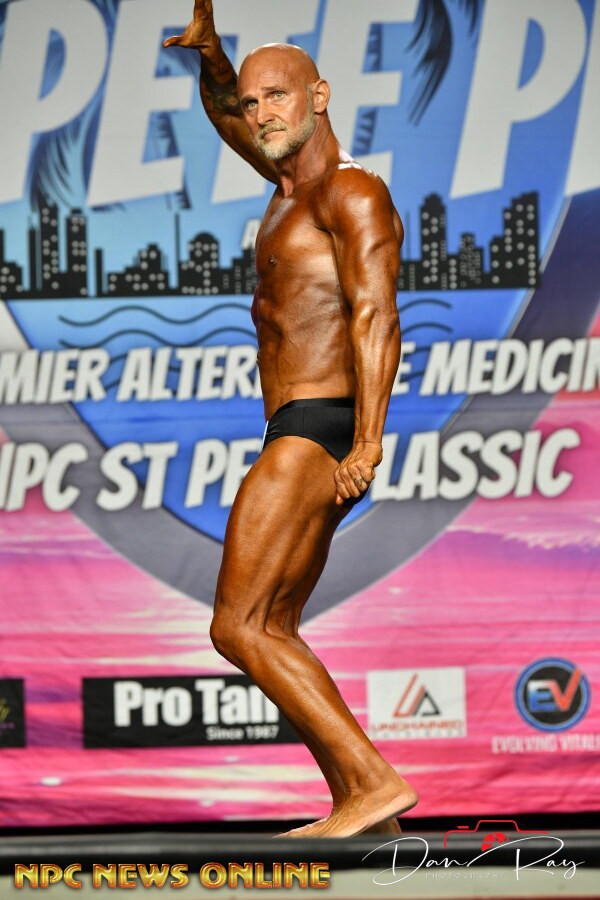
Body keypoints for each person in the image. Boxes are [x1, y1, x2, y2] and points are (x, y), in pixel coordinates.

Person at [164, 0, 418, 838]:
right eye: (253, 100)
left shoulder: (350, 191)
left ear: (320, 96)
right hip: (302, 425)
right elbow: (223, 115)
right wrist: (213, 59)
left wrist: (368, 441)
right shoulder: (287, 189)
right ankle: (364, 805)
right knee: (271, 625)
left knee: (237, 625)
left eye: (277, 95)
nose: (261, 112)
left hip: (321, 425)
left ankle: (373, 783)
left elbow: (376, 315)